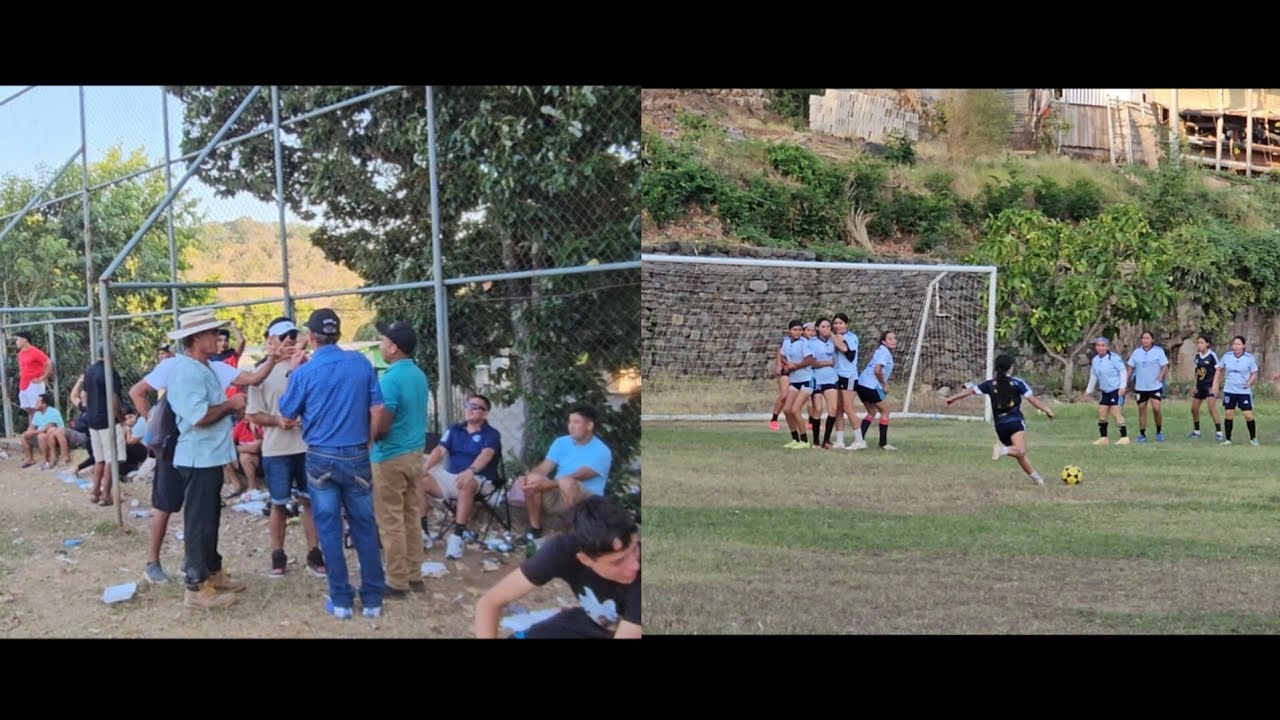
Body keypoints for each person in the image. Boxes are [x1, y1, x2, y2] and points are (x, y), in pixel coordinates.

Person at [278, 308, 387, 620]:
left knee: (329, 528)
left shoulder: (305, 372)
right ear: (337, 334)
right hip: (357, 452)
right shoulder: (361, 363)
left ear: (311, 337)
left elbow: (286, 414)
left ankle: (341, 600)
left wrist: (292, 372)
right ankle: (372, 600)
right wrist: (367, 442)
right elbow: (378, 409)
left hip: (320, 455)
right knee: (365, 525)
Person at [165, 311, 250, 609]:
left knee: (209, 517)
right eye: (213, 333)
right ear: (196, 338)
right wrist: (230, 404)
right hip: (197, 457)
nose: (218, 338)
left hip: (209, 455)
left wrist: (229, 406)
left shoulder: (205, 367)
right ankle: (196, 585)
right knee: (199, 522)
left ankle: (212, 571)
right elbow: (199, 416)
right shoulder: (187, 371)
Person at [474, 495, 640, 639]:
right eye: (618, 562)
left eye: (635, 550)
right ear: (585, 559)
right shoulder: (564, 550)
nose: (635, 565)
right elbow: (490, 602)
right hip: (590, 624)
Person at [244, 317, 324, 580]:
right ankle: (278, 555)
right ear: (271, 341)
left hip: (306, 446)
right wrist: (278, 420)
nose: (289, 341)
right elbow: (253, 414)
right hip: (276, 449)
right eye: (284, 337)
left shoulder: (308, 366)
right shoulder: (260, 373)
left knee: (309, 501)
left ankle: (314, 553)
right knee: (278, 503)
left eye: (293, 335)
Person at [369, 320, 429, 598]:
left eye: (384, 341)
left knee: (390, 519)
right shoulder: (418, 374)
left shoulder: (390, 379)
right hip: (415, 453)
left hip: (390, 455)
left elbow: (382, 424)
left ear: (393, 348)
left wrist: (370, 437)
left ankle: (396, 581)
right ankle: (414, 575)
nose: (381, 344)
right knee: (411, 515)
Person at [944, 355, 1056, 485]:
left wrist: (952, 398)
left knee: (1018, 453)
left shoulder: (989, 384)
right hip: (1015, 422)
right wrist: (1046, 410)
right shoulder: (1017, 383)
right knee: (1020, 451)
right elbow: (1032, 400)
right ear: (1010, 368)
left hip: (1000, 426)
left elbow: (970, 391)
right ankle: (1002, 450)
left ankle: (1037, 479)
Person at [517, 405, 613, 548]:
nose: (571, 426)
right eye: (570, 422)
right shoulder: (561, 442)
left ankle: (577, 535)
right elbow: (545, 466)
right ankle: (535, 531)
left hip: (586, 498)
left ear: (589, 426)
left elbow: (579, 476)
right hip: (558, 492)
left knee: (567, 482)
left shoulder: (602, 451)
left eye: (576, 422)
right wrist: (529, 478)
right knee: (533, 480)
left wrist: (547, 484)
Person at [421, 393, 501, 559]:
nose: (469, 409)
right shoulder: (454, 429)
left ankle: (457, 537)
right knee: (418, 480)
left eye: (475, 407)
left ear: (485, 413)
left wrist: (470, 471)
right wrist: (426, 467)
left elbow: (486, 454)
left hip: (480, 479)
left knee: (466, 482)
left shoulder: (491, 434)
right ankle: (423, 532)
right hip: (451, 477)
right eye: (467, 405)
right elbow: (439, 450)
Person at [1083, 336, 1131, 446]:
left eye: (1102, 345)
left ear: (1107, 347)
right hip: (1105, 391)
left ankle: (1124, 438)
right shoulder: (1095, 360)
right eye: (1098, 345)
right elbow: (1093, 376)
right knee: (1102, 413)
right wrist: (1088, 390)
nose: (1100, 348)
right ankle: (1103, 438)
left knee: (1115, 412)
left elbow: (1122, 371)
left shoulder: (1114, 358)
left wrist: (1122, 386)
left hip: (1116, 390)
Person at [854, 330, 898, 451]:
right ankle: (883, 443)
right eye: (890, 339)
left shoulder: (879, 351)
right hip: (871, 386)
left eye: (894, 338)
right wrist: (884, 384)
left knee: (871, 412)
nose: (893, 341)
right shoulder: (885, 353)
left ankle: (860, 440)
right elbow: (877, 370)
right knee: (886, 411)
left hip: (861, 384)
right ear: (883, 341)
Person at [1213, 335, 1260, 446]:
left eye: (1238, 344)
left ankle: (1253, 438)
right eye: (1234, 344)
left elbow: (1254, 373)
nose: (1236, 346)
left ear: (1243, 346)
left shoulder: (1249, 358)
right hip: (1230, 390)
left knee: (1248, 415)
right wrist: (1215, 384)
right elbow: (1219, 370)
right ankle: (1228, 439)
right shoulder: (1227, 356)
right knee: (1229, 414)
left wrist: (1249, 382)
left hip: (1244, 391)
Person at [831, 313, 866, 451]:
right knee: (838, 408)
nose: (838, 326)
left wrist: (836, 339)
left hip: (849, 376)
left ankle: (859, 440)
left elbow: (850, 354)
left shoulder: (851, 337)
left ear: (846, 324)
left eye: (840, 323)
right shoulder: (834, 338)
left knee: (848, 407)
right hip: (837, 375)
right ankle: (840, 440)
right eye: (835, 323)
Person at [1127, 331, 1170, 443]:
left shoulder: (1158, 351)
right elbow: (1131, 367)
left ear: (1152, 340)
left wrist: (1161, 375)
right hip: (1141, 386)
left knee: (1156, 408)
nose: (1145, 340)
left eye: (1147, 338)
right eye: (1143, 338)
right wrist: (1126, 379)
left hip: (1155, 385)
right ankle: (1142, 434)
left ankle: (1159, 431)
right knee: (1141, 409)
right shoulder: (1136, 352)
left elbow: (1165, 365)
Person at [777, 320, 812, 448]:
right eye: (795, 330)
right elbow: (782, 356)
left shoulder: (804, 343)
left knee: (795, 410)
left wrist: (795, 366)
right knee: (787, 410)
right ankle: (795, 439)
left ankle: (805, 441)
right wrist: (787, 364)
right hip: (794, 381)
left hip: (806, 380)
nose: (797, 332)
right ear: (789, 331)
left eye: (799, 330)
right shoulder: (786, 342)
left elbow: (809, 360)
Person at [13, 331, 53, 428]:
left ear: (25, 340)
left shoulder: (35, 351)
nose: (16, 342)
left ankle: (40, 429)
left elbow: (48, 363)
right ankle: (32, 429)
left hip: (34, 384)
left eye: (18, 339)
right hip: (24, 384)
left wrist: (43, 377)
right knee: (29, 409)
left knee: (37, 408)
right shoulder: (20, 354)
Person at [1188, 334, 1223, 441]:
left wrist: (1215, 386)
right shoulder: (1197, 356)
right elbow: (1197, 372)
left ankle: (1219, 433)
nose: (1199, 345)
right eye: (1198, 343)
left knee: (1211, 408)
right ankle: (1196, 432)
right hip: (1200, 386)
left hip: (1209, 386)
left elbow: (1218, 370)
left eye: (1202, 343)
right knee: (1194, 409)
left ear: (1207, 344)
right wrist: (1195, 385)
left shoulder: (1212, 355)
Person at [768, 324, 794, 432]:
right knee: (784, 395)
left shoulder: (807, 342)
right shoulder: (786, 340)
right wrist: (779, 364)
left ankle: (811, 422)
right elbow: (780, 351)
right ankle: (774, 419)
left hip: (800, 371)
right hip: (786, 370)